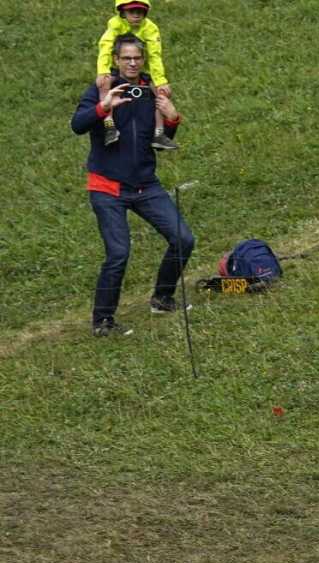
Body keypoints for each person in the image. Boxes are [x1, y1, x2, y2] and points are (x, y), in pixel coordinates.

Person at [71, 33, 194, 337]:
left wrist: (172, 119)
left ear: (144, 59)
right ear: (115, 60)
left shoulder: (151, 89)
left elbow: (159, 139)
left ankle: (162, 299)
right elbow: (77, 124)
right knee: (118, 254)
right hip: (107, 187)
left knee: (183, 239)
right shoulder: (102, 88)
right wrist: (103, 106)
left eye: (137, 57)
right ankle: (102, 321)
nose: (132, 62)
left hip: (145, 185)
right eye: (126, 58)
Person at [96, 0, 178, 150]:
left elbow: (154, 55)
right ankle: (109, 126)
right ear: (122, 12)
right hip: (117, 66)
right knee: (104, 84)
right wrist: (103, 71)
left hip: (143, 67)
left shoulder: (150, 28)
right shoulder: (115, 24)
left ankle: (158, 134)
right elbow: (105, 46)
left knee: (161, 91)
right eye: (131, 11)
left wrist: (160, 81)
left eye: (140, 11)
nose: (136, 15)